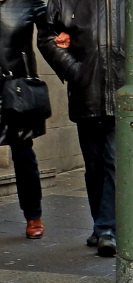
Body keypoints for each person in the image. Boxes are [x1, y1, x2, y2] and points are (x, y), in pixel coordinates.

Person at [39, 0, 133, 256]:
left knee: (115, 160)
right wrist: (76, 71)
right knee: (95, 166)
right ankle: (101, 226)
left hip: (127, 92)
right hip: (87, 92)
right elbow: (46, 37)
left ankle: (107, 228)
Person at [1, 0, 49, 240]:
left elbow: (52, 30)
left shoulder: (27, 3)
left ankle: (33, 216)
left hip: (17, 89)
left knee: (23, 154)